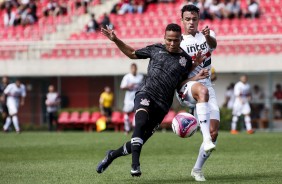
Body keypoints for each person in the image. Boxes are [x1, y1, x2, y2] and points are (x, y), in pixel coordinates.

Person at [97, 23, 206, 177]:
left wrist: (196, 76)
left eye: (175, 40)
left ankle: (111, 155)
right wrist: (116, 40)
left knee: (139, 139)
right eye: (169, 40)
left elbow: (179, 85)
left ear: (181, 39)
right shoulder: (156, 49)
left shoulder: (185, 60)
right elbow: (132, 53)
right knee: (140, 123)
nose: (172, 43)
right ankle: (135, 165)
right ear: (164, 38)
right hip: (146, 93)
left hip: (162, 106)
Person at [177, 5, 220, 181]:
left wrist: (209, 36)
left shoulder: (207, 35)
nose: (191, 22)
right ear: (182, 20)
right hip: (186, 87)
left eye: (194, 19)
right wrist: (194, 79)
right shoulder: (178, 43)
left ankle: (197, 169)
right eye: (187, 19)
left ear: (198, 19)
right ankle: (206, 138)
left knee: (214, 131)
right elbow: (177, 79)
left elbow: (214, 45)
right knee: (201, 90)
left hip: (207, 85)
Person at [120, 63, 143, 134]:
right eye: (132, 68)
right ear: (131, 69)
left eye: (135, 68)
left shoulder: (140, 77)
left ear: (136, 69)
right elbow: (122, 87)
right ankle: (127, 129)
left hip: (137, 98)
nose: (134, 70)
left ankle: (135, 130)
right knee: (127, 115)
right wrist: (128, 86)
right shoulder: (127, 77)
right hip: (128, 100)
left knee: (137, 114)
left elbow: (143, 86)